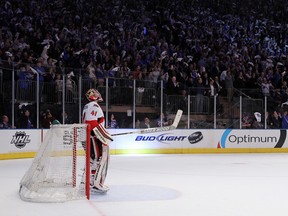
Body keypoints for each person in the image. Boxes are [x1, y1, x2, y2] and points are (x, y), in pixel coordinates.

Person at [82, 88, 113, 193]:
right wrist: (104, 135)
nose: (98, 94)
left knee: (94, 160)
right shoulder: (94, 106)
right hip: (95, 137)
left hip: (90, 136)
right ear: (92, 96)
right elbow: (91, 123)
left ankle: (90, 181)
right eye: (96, 93)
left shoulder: (87, 106)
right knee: (101, 159)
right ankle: (97, 183)